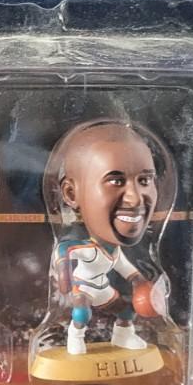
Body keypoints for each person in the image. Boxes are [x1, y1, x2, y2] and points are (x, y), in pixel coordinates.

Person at [55, 121, 158, 355]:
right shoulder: (89, 249)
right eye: (116, 181)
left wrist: (140, 282)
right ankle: (75, 338)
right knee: (81, 312)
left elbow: (127, 270)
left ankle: (123, 336)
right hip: (83, 289)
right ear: (71, 193)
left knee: (127, 309)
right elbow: (65, 250)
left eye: (144, 181)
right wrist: (64, 276)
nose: (135, 199)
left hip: (102, 288)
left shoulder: (115, 252)